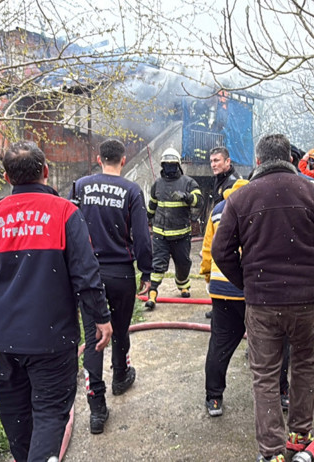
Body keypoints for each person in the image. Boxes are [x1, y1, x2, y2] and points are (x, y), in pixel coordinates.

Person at [0, 141, 112, 462]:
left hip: (8, 344)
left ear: (6, 177)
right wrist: (101, 317)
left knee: (17, 420)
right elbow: (86, 274)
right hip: (53, 342)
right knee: (50, 415)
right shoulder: (65, 213)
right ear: (46, 171)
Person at [213, 134, 314, 462]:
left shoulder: (241, 198)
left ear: (258, 161)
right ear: (289, 158)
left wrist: (247, 282)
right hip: (308, 302)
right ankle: (299, 436)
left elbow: (221, 250)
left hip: (262, 303)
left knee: (264, 373)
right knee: (305, 365)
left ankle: (272, 452)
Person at [71, 139, 153, 434]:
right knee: (119, 327)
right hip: (120, 273)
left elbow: (70, 228)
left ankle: (97, 407)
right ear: (123, 158)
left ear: (98, 158)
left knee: (93, 336)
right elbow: (142, 236)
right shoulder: (131, 190)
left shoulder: (80, 186)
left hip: (88, 276)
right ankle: (120, 376)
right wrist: (147, 271)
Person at [200, 179, 291, 418]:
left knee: (220, 343)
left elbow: (209, 249)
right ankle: (282, 391)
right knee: (278, 341)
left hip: (223, 290)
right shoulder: (263, 206)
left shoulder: (218, 210)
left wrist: (209, 279)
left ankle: (214, 397)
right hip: (259, 290)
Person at [145, 148, 202, 310]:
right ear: (162, 165)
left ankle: (183, 284)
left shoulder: (188, 183)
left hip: (181, 235)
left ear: (178, 165)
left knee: (183, 263)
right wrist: (145, 220)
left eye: (172, 164)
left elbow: (200, 201)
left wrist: (188, 197)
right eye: (166, 165)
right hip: (160, 235)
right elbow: (152, 206)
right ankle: (153, 293)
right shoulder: (157, 184)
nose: (169, 167)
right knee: (158, 265)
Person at [204, 146, 239, 319]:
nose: (213, 164)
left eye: (217, 160)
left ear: (228, 161)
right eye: (211, 161)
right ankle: (218, 303)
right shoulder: (220, 179)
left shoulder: (233, 182)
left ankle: (226, 305)